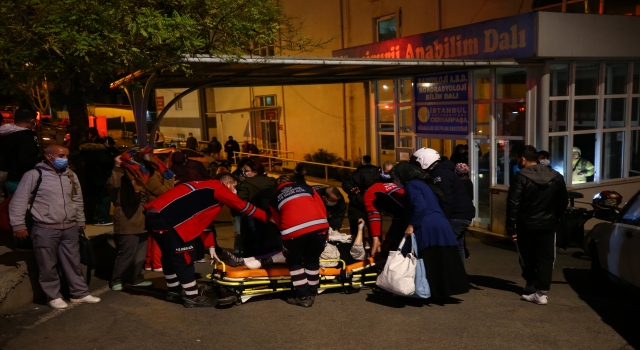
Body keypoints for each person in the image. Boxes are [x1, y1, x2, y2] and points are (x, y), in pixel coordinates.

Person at [144, 173, 268, 307]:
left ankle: (174, 291)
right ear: (227, 184)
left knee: (169, 256)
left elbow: (203, 221)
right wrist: (268, 218)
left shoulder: (201, 186)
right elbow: (242, 206)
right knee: (184, 258)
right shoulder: (217, 188)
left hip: (153, 217)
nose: (235, 190)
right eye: (234, 186)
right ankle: (193, 297)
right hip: (170, 221)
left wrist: (211, 246)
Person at [9, 145, 101, 309]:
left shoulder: (71, 176)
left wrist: (80, 220)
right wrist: (18, 225)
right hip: (45, 228)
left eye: (66, 156)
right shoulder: (34, 175)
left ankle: (79, 293)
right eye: (61, 155)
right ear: (48, 156)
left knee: (73, 261)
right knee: (47, 264)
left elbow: (77, 199)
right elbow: (19, 201)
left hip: (70, 227)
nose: (64, 159)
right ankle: (53, 296)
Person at [390, 162, 469, 300]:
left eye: (395, 178)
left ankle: (432, 291)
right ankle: (444, 291)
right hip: (440, 224)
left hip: (428, 227)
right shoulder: (423, 183)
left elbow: (420, 207)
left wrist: (411, 225)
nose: (395, 181)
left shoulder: (412, 186)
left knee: (430, 260)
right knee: (443, 258)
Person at [507, 145, 568, 305]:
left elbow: (513, 204)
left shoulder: (520, 177)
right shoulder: (556, 176)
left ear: (522, 159)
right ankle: (542, 292)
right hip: (548, 224)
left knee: (526, 256)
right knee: (546, 257)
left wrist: (510, 227)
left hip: (525, 224)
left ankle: (531, 284)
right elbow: (563, 202)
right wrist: (556, 219)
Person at [269, 175, 329, 308]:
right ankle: (312, 292)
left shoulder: (274, 198)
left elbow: (278, 222)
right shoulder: (307, 188)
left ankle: (303, 296)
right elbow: (321, 208)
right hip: (319, 227)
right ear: (292, 182)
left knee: (294, 261)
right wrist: (326, 229)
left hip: (293, 231)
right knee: (312, 260)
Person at [412, 148, 475, 264]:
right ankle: (458, 274)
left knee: (443, 245)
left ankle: (449, 274)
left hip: (455, 215)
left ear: (424, 161)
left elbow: (445, 198)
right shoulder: (443, 171)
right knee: (458, 245)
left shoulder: (440, 174)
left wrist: (441, 219)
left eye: (417, 163)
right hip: (461, 214)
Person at [107, 155, 153, 291]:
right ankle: (117, 279)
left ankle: (136, 278)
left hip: (142, 219)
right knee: (127, 253)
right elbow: (113, 184)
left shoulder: (141, 179)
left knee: (140, 253)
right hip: (127, 220)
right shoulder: (119, 178)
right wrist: (117, 166)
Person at [139, 148, 175, 272]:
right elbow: (165, 192)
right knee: (158, 237)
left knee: (152, 237)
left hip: (153, 210)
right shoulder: (153, 177)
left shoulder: (151, 176)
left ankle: (149, 263)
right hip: (156, 210)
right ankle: (157, 263)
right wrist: (170, 179)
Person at [237, 160, 278, 257]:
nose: (244, 172)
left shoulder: (247, 183)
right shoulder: (272, 181)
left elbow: (240, 199)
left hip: (253, 214)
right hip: (272, 214)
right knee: (270, 238)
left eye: (247, 170)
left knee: (252, 240)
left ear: (255, 172)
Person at [0, 108, 40, 196]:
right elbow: (26, 160)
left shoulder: (4, 132)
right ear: (32, 120)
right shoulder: (27, 137)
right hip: (19, 179)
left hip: (6, 176)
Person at [363, 175, 405, 257]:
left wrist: (376, 238)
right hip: (416, 215)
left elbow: (373, 215)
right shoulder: (395, 184)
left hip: (405, 218)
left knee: (389, 248)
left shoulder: (370, 191)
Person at [342, 155, 379, 236]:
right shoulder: (378, 173)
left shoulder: (357, 173)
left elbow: (347, 184)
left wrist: (352, 191)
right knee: (375, 233)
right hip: (373, 206)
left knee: (356, 233)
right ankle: (375, 247)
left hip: (357, 206)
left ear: (363, 161)